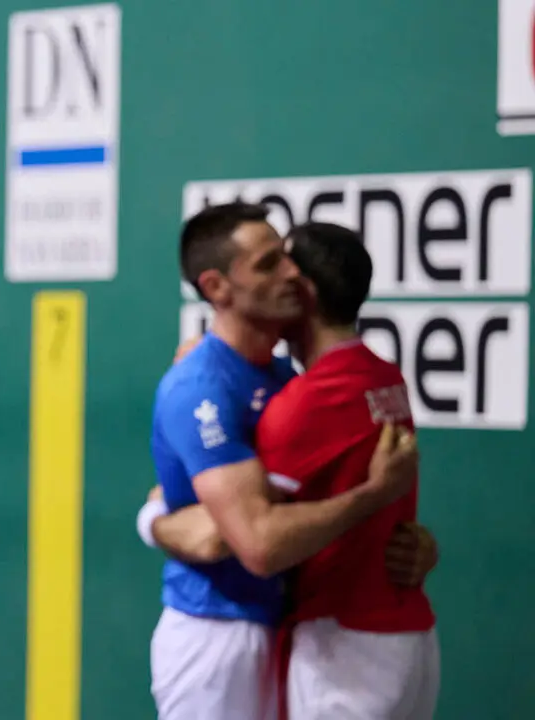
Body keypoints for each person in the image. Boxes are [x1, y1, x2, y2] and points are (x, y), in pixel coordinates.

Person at [141, 202, 421, 720]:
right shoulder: (199, 385)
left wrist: (412, 541)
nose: (293, 272)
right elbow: (249, 540)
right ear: (216, 287)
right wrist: (155, 523)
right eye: (269, 263)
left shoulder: (284, 382)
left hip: (282, 628)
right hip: (216, 634)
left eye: (287, 259)